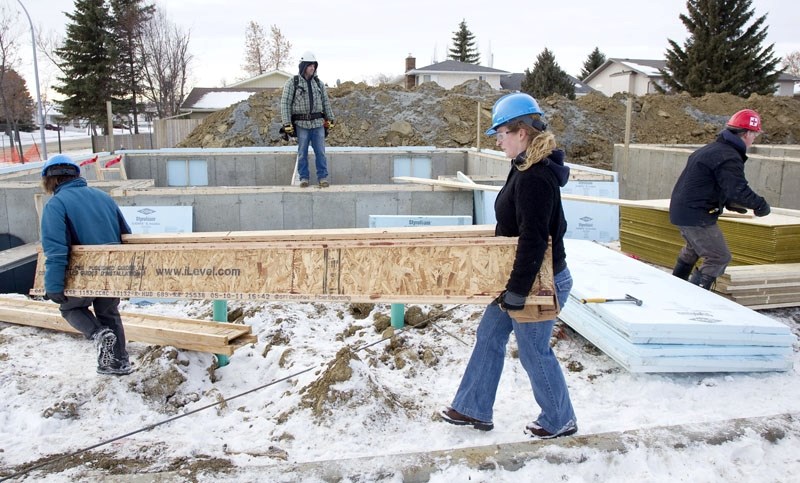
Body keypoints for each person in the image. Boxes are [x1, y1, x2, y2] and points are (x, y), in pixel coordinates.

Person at [439, 93, 577, 439]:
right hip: (520, 277)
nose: (498, 140)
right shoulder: (524, 167)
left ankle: (560, 418)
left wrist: (517, 290)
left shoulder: (535, 177)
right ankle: (473, 407)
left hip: (537, 280)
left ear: (522, 132)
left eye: (501, 132)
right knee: (489, 334)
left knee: (533, 350)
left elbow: (534, 238)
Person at [40, 154, 134, 375]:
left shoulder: (56, 204)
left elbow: (55, 248)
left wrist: (54, 285)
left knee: (70, 307)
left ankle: (99, 335)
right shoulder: (104, 198)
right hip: (111, 270)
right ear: (76, 175)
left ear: (49, 180)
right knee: (109, 312)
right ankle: (119, 363)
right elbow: (126, 235)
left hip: (83, 274)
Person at [669, 109, 771, 290]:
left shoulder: (714, 149)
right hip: (696, 214)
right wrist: (760, 205)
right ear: (746, 133)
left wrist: (728, 203)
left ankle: (675, 287)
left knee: (693, 250)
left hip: (685, 210)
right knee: (719, 256)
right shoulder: (728, 156)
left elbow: (712, 184)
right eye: (755, 134)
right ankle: (694, 299)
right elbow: (738, 189)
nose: (755, 138)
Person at [280, 51, 336, 188]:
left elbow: (325, 102)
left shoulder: (319, 83)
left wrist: (331, 118)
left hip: (317, 123)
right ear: (303, 66)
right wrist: (287, 123)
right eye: (310, 65)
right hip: (301, 124)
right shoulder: (293, 83)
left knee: (321, 152)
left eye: (314, 65)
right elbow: (285, 103)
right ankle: (304, 177)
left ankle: (322, 177)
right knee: (302, 152)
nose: (313, 68)